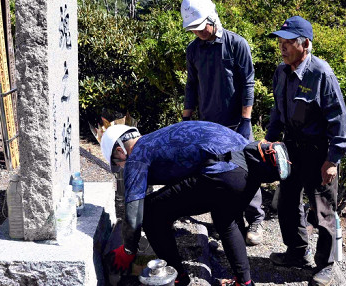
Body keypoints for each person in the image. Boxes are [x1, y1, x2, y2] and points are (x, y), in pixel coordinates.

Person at [102, 121, 291, 286]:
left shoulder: (137, 154)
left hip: (223, 173)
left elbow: (134, 213)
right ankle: (244, 282)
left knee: (151, 212)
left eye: (117, 163)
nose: (121, 167)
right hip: (249, 169)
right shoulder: (158, 138)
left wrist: (128, 250)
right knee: (226, 221)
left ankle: (176, 277)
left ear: (120, 150)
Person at [265, 16, 346, 286]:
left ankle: (326, 265)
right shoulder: (281, 72)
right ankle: (297, 252)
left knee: (322, 210)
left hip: (319, 152)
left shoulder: (321, 73)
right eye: (281, 42)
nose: (283, 47)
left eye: (289, 42)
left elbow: (339, 120)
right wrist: (269, 140)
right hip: (291, 148)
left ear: (306, 44)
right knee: (287, 202)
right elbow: (278, 111)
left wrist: (333, 159)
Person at [180, 0, 265, 245]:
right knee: (216, 174)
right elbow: (191, 85)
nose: (198, 32)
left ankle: (257, 220)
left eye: (200, 27)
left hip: (235, 122)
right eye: (193, 29)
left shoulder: (236, 44)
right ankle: (227, 220)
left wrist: (246, 120)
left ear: (212, 17)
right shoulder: (194, 50)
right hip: (208, 123)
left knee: (246, 172)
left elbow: (247, 83)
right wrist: (187, 119)